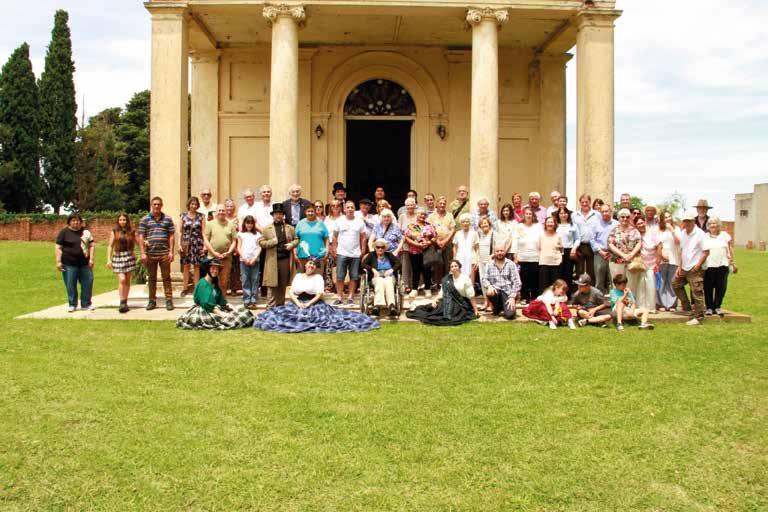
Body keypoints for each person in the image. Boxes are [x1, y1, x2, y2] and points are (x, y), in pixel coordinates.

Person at [254, 257, 380, 333]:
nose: (311, 266)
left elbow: (319, 294)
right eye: (310, 263)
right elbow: (291, 292)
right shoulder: (298, 276)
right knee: (283, 317)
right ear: (305, 265)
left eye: (314, 265)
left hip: (314, 303)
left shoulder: (318, 277)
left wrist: (308, 304)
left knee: (321, 319)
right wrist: (298, 303)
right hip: (298, 302)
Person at [176, 258, 254, 330]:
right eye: (213, 268)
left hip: (216, 308)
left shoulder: (214, 283)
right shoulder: (203, 283)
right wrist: (221, 314)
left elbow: (221, 300)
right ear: (208, 269)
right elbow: (206, 303)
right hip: (205, 310)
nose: (215, 271)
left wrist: (233, 308)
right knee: (229, 320)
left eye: (217, 269)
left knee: (243, 310)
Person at [406, 260, 478, 326]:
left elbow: (471, 295)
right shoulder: (447, 279)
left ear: (459, 267)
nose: (454, 268)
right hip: (447, 300)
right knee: (436, 308)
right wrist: (435, 300)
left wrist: (475, 310)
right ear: (450, 269)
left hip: (461, 303)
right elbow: (441, 293)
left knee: (452, 313)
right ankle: (416, 305)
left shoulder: (465, 279)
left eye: (456, 266)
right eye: (452, 266)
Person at [673, 208, 709, 326]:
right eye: (685, 221)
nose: (687, 223)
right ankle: (687, 308)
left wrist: (697, 266)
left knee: (697, 291)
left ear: (694, 221)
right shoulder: (683, 233)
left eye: (689, 221)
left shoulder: (700, 234)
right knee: (676, 284)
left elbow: (706, 252)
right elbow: (682, 251)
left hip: (695, 268)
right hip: (685, 266)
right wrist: (679, 267)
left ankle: (699, 317)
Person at [138, 197, 175, 311]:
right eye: (154, 204)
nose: (156, 206)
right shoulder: (145, 219)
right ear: (151, 205)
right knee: (152, 278)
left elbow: (171, 236)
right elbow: (140, 236)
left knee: (166, 278)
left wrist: (171, 251)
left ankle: (169, 300)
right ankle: (152, 300)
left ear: (161, 205)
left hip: (164, 253)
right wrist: (142, 253)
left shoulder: (167, 219)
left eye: (158, 204)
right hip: (150, 254)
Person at [259, 203, 298, 307]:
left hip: (285, 259)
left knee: (282, 284)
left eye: (280, 214)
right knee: (272, 284)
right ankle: (271, 307)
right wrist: (272, 242)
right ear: (273, 215)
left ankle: (280, 307)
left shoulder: (290, 228)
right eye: (276, 214)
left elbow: (296, 239)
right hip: (272, 259)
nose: (278, 216)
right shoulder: (267, 228)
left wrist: (292, 244)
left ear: (283, 215)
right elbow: (261, 242)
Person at [55, 213, 95, 313]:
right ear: (69, 222)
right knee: (70, 285)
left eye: (77, 220)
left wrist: (91, 259)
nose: (76, 222)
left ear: (81, 222)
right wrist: (58, 261)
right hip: (69, 264)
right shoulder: (64, 232)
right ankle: (72, 304)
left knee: (87, 283)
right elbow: (58, 247)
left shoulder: (86, 232)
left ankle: (86, 304)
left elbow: (92, 245)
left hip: (84, 263)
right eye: (73, 220)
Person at [333, 200, 367, 305]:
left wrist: (363, 249)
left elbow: (363, 237)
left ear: (354, 209)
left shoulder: (359, 222)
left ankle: (350, 297)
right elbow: (334, 236)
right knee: (340, 276)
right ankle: (339, 297)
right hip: (341, 252)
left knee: (354, 276)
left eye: (352, 207)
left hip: (355, 253)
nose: (350, 209)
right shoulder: (339, 221)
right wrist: (334, 249)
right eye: (348, 207)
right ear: (344, 209)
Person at [703, 217, 735, 316]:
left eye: (715, 223)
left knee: (721, 287)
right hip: (709, 265)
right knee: (708, 287)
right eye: (711, 223)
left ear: (718, 225)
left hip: (723, 265)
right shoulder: (704, 236)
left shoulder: (724, 235)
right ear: (708, 226)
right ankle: (709, 307)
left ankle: (717, 306)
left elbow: (730, 248)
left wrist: (733, 262)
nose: (713, 225)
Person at [361, 239, 402, 317]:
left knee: (388, 282)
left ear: (385, 248)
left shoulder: (389, 255)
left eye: (382, 247)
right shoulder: (371, 255)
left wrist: (392, 269)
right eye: (378, 247)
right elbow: (363, 264)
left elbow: (399, 263)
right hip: (376, 277)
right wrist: (372, 269)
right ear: (375, 248)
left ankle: (391, 306)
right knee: (379, 281)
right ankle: (377, 306)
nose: (380, 249)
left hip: (389, 276)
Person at [106, 213, 137, 314]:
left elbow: (137, 242)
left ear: (127, 221)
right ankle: (121, 300)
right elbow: (110, 246)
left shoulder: (131, 231)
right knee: (122, 279)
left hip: (129, 256)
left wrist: (144, 243)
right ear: (118, 221)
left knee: (127, 280)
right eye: (120, 220)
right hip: (118, 256)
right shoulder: (114, 231)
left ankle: (124, 302)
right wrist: (108, 259)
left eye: (124, 220)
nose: (122, 221)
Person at [481, 244, 522, 320]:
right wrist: (489, 286)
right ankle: (497, 308)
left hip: (508, 293)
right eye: (497, 251)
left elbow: (517, 282)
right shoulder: (489, 264)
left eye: (501, 251)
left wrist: (513, 297)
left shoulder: (511, 264)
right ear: (494, 252)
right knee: (489, 292)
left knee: (510, 315)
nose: (499, 253)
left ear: (505, 251)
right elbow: (484, 279)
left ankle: (505, 307)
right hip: (496, 292)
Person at [204, 205, 237, 294]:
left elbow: (234, 241)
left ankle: (222, 300)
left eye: (223, 210)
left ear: (225, 212)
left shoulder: (231, 224)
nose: (221, 212)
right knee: (211, 280)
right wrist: (214, 253)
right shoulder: (210, 224)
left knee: (224, 282)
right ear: (216, 212)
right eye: (219, 210)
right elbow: (206, 240)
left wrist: (229, 252)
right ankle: (210, 300)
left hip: (226, 258)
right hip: (212, 257)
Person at [404, 208, 436, 298]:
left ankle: (427, 289)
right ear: (416, 215)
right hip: (414, 251)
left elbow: (434, 237)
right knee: (415, 270)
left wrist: (429, 242)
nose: (422, 216)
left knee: (427, 270)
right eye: (420, 214)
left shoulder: (429, 226)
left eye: (424, 214)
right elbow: (406, 238)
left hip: (427, 251)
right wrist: (417, 244)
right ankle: (414, 289)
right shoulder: (412, 226)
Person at [179, 196, 206, 296]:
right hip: (186, 244)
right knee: (186, 266)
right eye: (192, 204)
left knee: (196, 266)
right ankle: (185, 288)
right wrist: (179, 244)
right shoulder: (183, 216)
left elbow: (204, 232)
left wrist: (204, 246)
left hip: (197, 243)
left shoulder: (201, 216)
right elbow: (180, 231)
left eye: (195, 204)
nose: (194, 206)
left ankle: (196, 288)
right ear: (189, 205)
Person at [633, 218, 660, 314]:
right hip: (639, 265)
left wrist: (657, 263)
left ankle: (651, 308)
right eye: (638, 224)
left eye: (642, 223)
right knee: (640, 286)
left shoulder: (652, 233)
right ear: (636, 226)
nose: (641, 225)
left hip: (651, 264)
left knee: (650, 285)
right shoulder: (635, 235)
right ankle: (640, 307)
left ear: (644, 223)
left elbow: (659, 246)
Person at [515, 207, 542, 304]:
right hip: (523, 256)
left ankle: (534, 297)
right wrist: (515, 255)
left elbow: (541, 239)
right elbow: (515, 241)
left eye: (530, 214)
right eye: (526, 214)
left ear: (533, 215)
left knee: (535, 278)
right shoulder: (519, 226)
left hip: (536, 256)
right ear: (524, 215)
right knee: (524, 278)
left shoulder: (538, 226)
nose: (528, 215)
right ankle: (524, 297)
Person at [427, 196, 456, 286]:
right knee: (436, 263)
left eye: (444, 203)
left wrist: (445, 241)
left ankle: (447, 282)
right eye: (440, 203)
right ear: (437, 204)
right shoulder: (431, 216)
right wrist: (437, 241)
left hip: (447, 243)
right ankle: (437, 283)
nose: (442, 205)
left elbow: (453, 229)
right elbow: (429, 230)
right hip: (435, 244)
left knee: (448, 263)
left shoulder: (449, 215)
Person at [607, 208, 641, 280]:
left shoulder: (635, 230)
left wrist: (631, 254)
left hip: (632, 262)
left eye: (627, 217)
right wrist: (623, 255)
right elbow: (610, 244)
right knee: (618, 283)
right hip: (617, 262)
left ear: (630, 218)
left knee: (631, 284)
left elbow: (639, 242)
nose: (625, 219)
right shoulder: (613, 231)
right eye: (622, 217)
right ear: (618, 218)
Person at [591, 204, 618, 292]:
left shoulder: (616, 224)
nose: (604, 213)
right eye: (602, 212)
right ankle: (599, 297)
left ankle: (614, 297)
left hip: (613, 254)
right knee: (599, 279)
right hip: (600, 253)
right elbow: (592, 239)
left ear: (610, 211)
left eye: (606, 211)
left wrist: (613, 251)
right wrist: (600, 251)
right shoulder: (596, 224)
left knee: (613, 277)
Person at [656, 210, 680, 311]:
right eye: (665, 217)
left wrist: (672, 230)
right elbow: (657, 244)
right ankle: (661, 304)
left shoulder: (676, 229)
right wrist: (661, 255)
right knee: (661, 282)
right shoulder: (659, 230)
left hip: (674, 258)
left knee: (672, 282)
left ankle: (671, 305)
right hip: (662, 259)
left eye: (669, 216)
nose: (668, 219)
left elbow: (678, 242)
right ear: (662, 219)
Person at [295, 203, 330, 272]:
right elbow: (296, 239)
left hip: (318, 256)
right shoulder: (300, 223)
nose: (310, 213)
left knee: (317, 276)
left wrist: (327, 250)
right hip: (302, 255)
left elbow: (326, 238)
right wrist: (294, 253)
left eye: (312, 211)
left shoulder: (320, 223)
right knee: (303, 277)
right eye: (308, 211)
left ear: (315, 212)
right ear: (305, 212)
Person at [237, 215, 262, 309]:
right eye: (248, 223)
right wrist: (244, 258)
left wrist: (254, 258)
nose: (249, 225)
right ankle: (247, 300)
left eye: (251, 223)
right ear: (244, 223)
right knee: (245, 280)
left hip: (255, 260)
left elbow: (259, 247)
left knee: (255, 279)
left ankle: (253, 300)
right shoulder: (241, 234)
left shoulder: (257, 235)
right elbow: (239, 247)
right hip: (244, 260)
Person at [572, 194, 598, 280]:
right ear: (579, 203)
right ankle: (579, 286)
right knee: (579, 269)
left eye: (586, 202)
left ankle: (591, 287)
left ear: (590, 202)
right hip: (580, 245)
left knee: (592, 270)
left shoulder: (597, 214)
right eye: (582, 202)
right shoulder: (574, 215)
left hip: (592, 245)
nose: (584, 204)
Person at [555, 208, 579, 293]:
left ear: (568, 214)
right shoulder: (556, 225)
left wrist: (574, 249)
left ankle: (568, 294)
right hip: (557, 251)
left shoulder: (573, 225)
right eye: (561, 213)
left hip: (569, 251)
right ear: (558, 215)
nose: (563, 215)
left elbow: (577, 239)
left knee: (568, 273)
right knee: (558, 273)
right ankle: (558, 293)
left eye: (565, 213)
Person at [323, 199, 344, 292]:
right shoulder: (327, 219)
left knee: (341, 265)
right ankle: (329, 285)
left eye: (337, 205)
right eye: (333, 205)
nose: (335, 207)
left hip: (342, 244)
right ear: (330, 207)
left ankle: (342, 286)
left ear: (341, 207)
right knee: (329, 265)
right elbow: (325, 234)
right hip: (330, 244)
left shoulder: (344, 218)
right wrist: (328, 246)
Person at [398, 198, 418, 291]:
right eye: (408, 205)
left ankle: (416, 285)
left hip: (416, 244)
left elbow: (420, 229)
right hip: (405, 243)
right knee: (405, 265)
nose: (410, 206)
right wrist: (400, 243)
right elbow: (399, 231)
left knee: (415, 265)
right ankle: (406, 285)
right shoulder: (402, 216)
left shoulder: (417, 215)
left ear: (415, 205)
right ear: (406, 206)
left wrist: (415, 237)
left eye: (412, 205)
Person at [476, 216, 495, 311]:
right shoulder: (479, 235)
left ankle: (491, 303)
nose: (484, 226)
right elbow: (477, 248)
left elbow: (496, 248)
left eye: (486, 224)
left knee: (491, 282)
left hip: (490, 262)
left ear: (489, 225)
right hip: (481, 261)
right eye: (482, 224)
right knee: (483, 281)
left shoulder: (493, 234)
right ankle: (485, 301)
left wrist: (492, 257)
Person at [453, 213, 479, 282]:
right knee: (459, 278)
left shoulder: (474, 233)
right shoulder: (457, 233)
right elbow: (455, 247)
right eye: (463, 222)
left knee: (471, 279)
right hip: (459, 258)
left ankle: (471, 289)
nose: (465, 223)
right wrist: (454, 259)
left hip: (471, 258)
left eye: (467, 221)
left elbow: (477, 248)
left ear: (470, 222)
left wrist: (476, 259)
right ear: (460, 223)